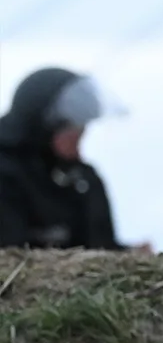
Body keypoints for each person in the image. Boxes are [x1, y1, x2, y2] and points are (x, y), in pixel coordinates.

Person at [0, 66, 150, 253]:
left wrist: (129, 256)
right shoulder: (7, 175)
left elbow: (98, 249)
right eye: (70, 129)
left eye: (81, 129)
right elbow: (12, 254)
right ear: (43, 128)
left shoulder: (83, 180)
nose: (79, 137)